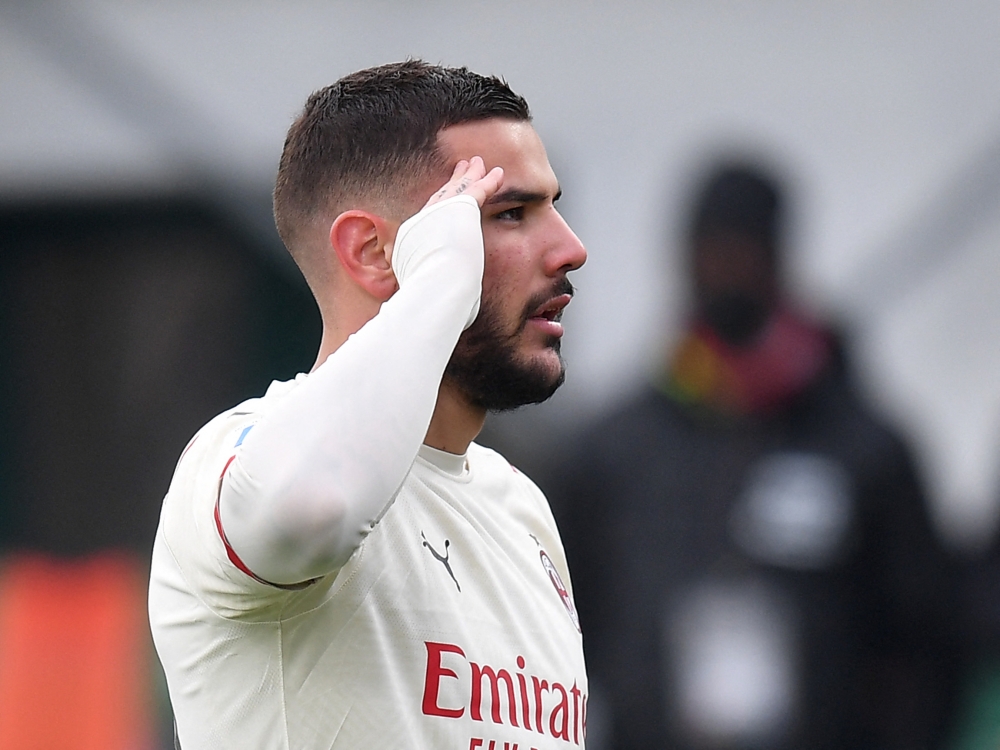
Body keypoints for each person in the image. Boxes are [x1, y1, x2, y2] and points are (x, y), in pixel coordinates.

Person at [148, 60, 589, 750]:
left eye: (553, 207)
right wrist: (442, 279)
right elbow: (314, 508)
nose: (570, 248)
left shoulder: (520, 508)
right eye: (508, 214)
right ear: (374, 252)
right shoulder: (236, 459)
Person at [549, 161, 962, 750]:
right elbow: (559, 627)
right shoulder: (614, 452)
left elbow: (929, 636)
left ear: (779, 257)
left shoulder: (862, 447)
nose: (727, 269)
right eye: (711, 249)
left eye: (744, 249)